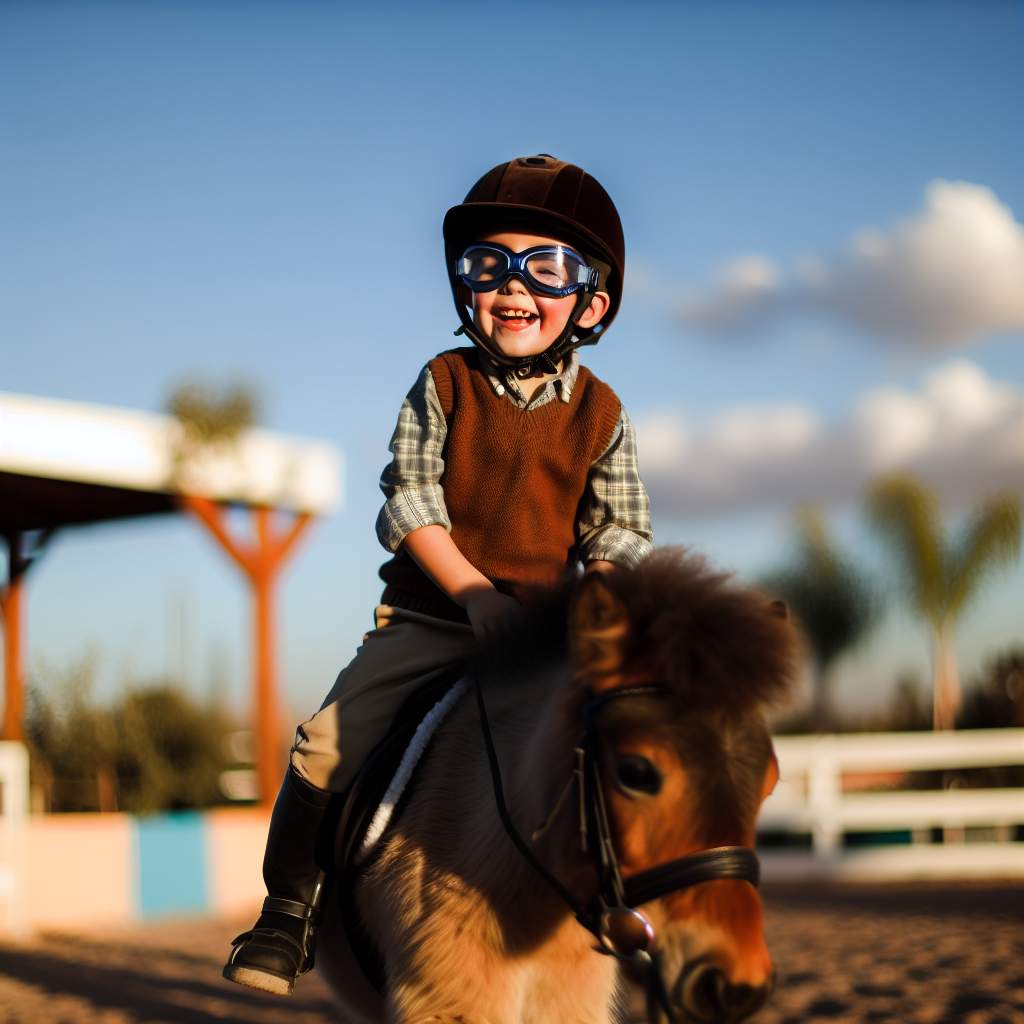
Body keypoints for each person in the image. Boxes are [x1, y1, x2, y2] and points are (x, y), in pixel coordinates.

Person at [223, 154, 653, 995]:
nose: (513, 286)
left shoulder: (604, 412)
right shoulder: (442, 383)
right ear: (466, 287)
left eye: (546, 267)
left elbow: (621, 529)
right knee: (322, 746)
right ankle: (289, 910)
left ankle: (635, 901)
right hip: (431, 620)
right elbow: (411, 501)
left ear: (591, 302)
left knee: (631, 744)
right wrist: (474, 597)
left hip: (542, 634)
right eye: (489, 266)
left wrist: (592, 602)